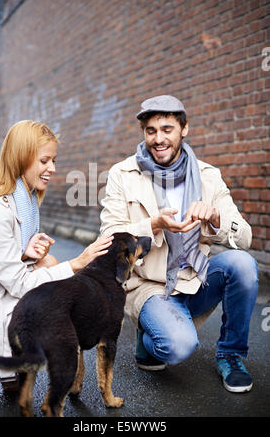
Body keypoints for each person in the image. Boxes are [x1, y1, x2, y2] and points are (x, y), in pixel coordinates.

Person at [100, 95, 259, 393]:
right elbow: (108, 239)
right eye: (151, 131)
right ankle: (149, 333)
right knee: (177, 348)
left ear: (184, 129)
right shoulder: (123, 174)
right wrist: (154, 224)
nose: (158, 139)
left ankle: (231, 355)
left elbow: (245, 237)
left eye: (167, 129)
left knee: (243, 265)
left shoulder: (208, 176)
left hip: (196, 278)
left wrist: (214, 217)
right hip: (150, 285)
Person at [0, 120, 113, 402]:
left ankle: (10, 368)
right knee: (50, 298)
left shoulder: (24, 201)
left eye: (54, 160)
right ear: (21, 158)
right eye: (45, 160)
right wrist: (77, 263)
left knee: (50, 268)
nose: (53, 168)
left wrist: (26, 255)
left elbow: (3, 264)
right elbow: (18, 283)